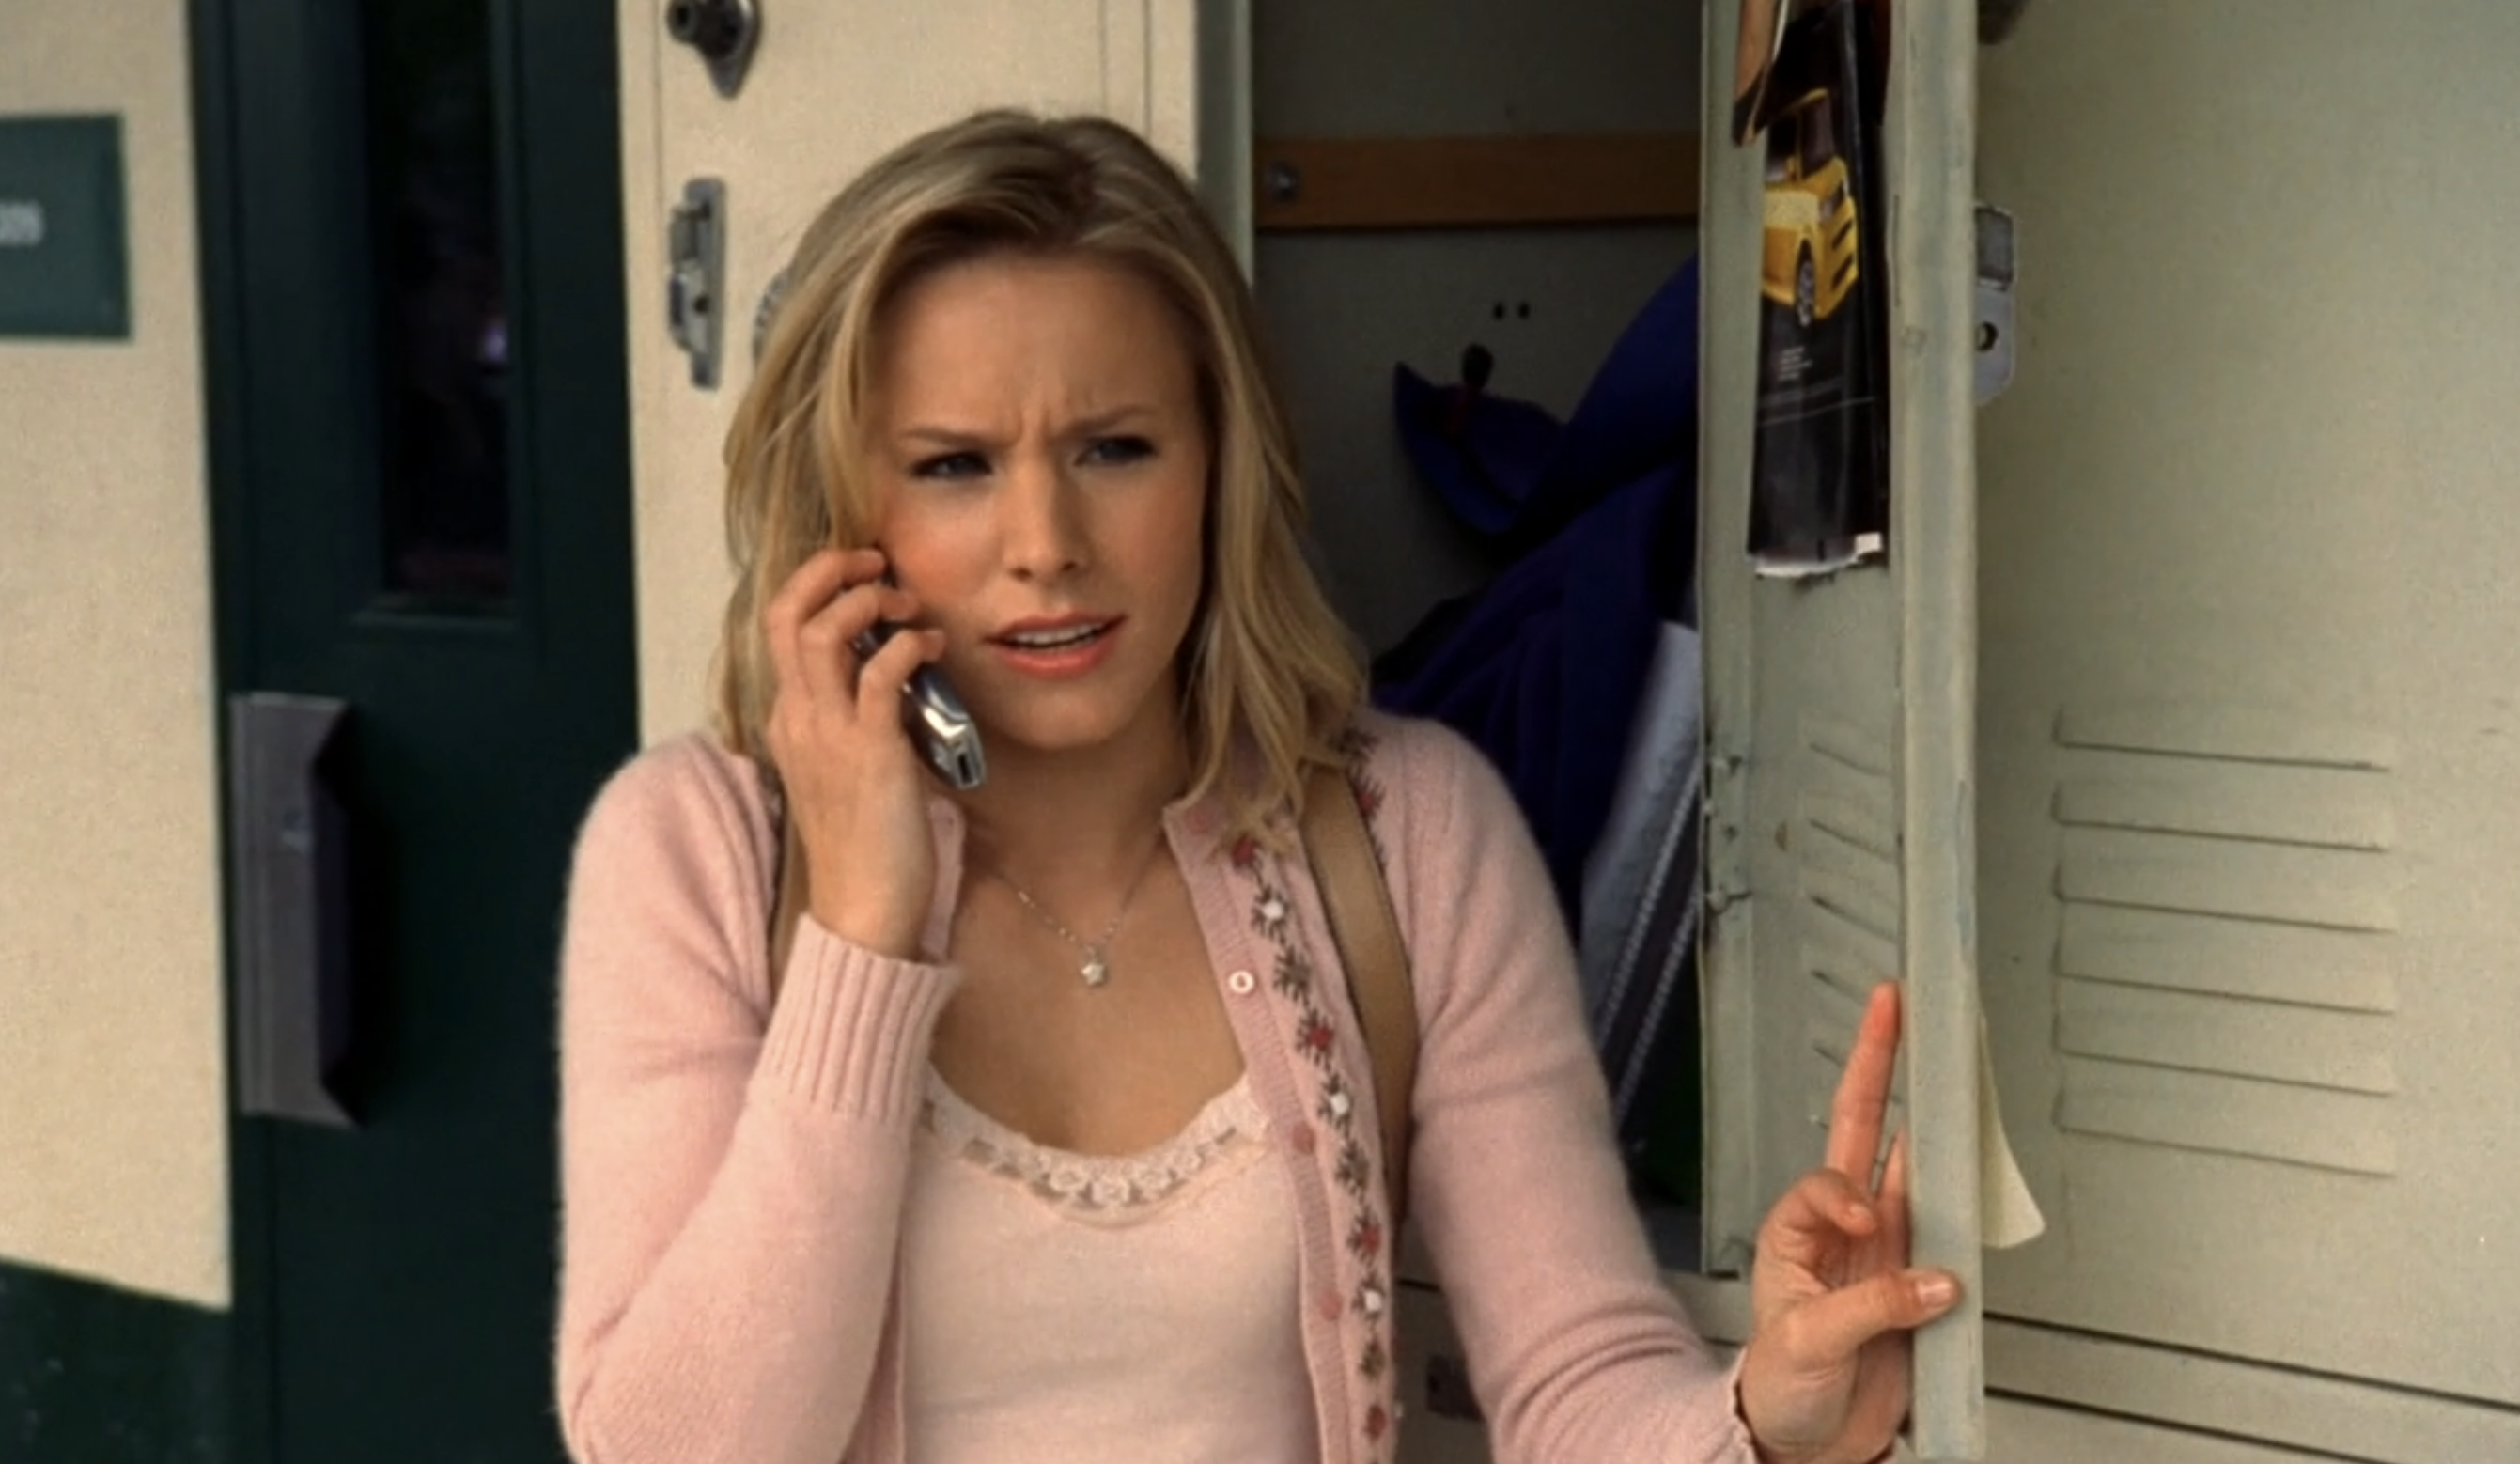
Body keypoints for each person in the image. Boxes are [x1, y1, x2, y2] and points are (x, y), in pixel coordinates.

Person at [552, 109, 1959, 1464]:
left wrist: (1758, 1421)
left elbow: (1572, 1377)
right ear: (844, 515)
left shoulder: (1409, 834)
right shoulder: (695, 854)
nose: (1046, 543)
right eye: (954, 466)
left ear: (1220, 464)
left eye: (1114, 448)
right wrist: (861, 935)